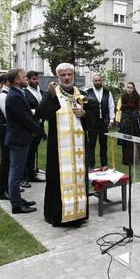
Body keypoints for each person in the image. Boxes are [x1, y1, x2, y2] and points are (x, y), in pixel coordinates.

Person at [39, 63, 94, 227]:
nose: (67, 78)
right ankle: (57, 216)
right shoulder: (51, 93)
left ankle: (78, 215)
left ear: (73, 75)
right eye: (63, 75)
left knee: (78, 180)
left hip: (78, 149)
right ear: (58, 77)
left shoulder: (81, 94)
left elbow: (95, 119)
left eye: (69, 74)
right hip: (58, 148)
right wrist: (51, 97)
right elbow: (41, 114)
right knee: (57, 180)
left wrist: (84, 114)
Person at [5, 68, 39, 214]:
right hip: (18, 139)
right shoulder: (14, 96)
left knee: (16, 172)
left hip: (20, 138)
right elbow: (25, 118)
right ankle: (16, 205)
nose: (26, 79)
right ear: (17, 80)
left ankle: (18, 199)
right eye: (24, 77)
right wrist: (38, 130)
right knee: (16, 174)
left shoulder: (18, 93)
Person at [85, 73, 115, 170]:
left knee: (103, 144)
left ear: (102, 81)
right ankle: (90, 165)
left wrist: (111, 120)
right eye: (96, 81)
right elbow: (84, 108)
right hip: (92, 123)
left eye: (99, 80)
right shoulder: (87, 92)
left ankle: (104, 164)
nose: (98, 82)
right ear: (93, 81)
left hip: (104, 122)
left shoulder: (107, 92)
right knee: (91, 144)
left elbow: (111, 106)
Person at [23, 70, 45, 184]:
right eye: (34, 79)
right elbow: (25, 110)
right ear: (28, 80)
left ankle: (31, 175)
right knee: (27, 152)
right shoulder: (25, 93)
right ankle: (24, 177)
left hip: (40, 125)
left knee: (33, 151)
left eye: (37, 79)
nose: (36, 81)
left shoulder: (41, 92)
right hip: (30, 126)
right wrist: (37, 111)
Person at [115, 82, 140, 165]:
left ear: (134, 89)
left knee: (134, 141)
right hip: (125, 122)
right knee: (125, 142)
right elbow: (118, 110)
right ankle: (126, 161)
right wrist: (118, 121)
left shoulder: (138, 98)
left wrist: (139, 117)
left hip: (134, 123)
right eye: (128, 87)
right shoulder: (122, 98)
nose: (129, 89)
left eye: (131, 87)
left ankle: (136, 160)